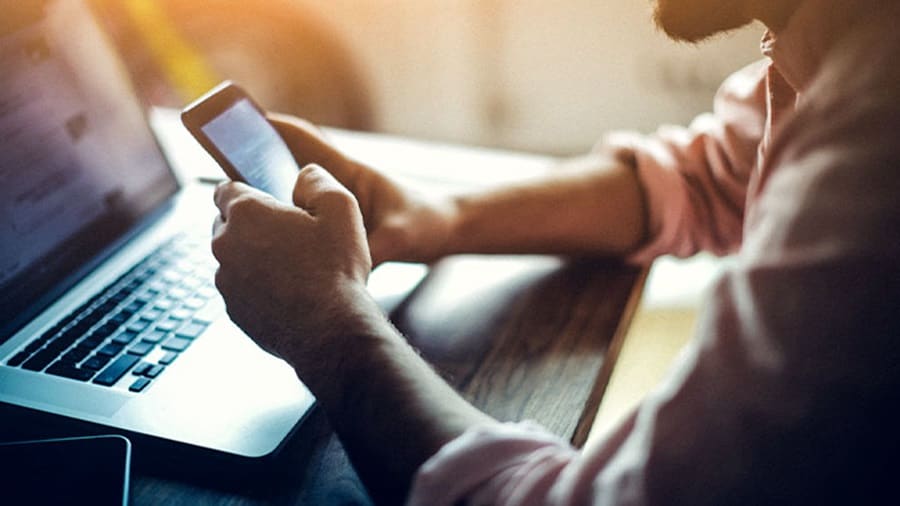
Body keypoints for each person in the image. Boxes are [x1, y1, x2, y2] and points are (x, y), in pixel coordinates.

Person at [209, 0, 900, 503]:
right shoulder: (839, 38)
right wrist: (435, 216)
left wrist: (329, 328)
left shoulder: (877, 138)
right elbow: (715, 174)